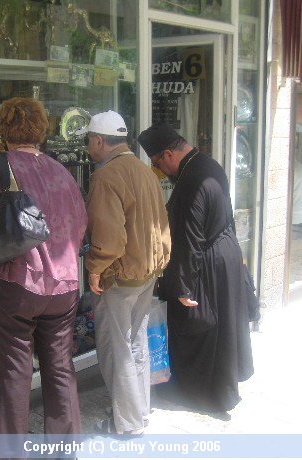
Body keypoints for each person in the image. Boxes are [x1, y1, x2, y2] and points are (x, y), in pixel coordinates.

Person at [0, 97, 87, 437]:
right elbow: (80, 223)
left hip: (16, 284)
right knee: (60, 368)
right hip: (65, 287)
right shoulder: (60, 169)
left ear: (3, 128)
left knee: (14, 375)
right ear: (41, 130)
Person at [138, 122, 254, 418]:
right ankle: (219, 390)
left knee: (199, 325)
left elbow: (191, 237)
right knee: (221, 325)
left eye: (157, 164)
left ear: (167, 154)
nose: (159, 171)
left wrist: (183, 286)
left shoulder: (192, 180)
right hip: (225, 252)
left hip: (207, 262)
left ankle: (200, 394)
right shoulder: (207, 164)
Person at [83, 111, 171, 434]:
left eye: (89, 141)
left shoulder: (106, 177)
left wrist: (94, 270)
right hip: (147, 271)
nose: (88, 148)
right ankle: (140, 412)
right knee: (135, 343)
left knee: (116, 349)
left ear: (99, 141)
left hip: (120, 275)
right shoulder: (144, 170)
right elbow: (160, 224)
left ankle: (129, 424)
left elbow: (108, 239)